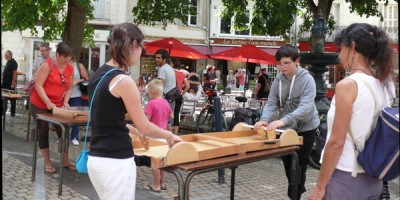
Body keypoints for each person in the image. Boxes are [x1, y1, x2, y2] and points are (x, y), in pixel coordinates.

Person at [87, 23, 181, 200]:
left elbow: (109, 117)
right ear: (133, 45)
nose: (141, 54)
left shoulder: (99, 74)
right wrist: (170, 136)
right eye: (142, 49)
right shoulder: (123, 81)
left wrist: (133, 130)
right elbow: (146, 126)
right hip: (116, 162)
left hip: (96, 160)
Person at [308, 23, 394, 200]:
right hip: (373, 178)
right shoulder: (384, 84)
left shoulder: (349, 85)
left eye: (341, 49)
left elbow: (336, 142)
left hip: (346, 177)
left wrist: (319, 187)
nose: (339, 55)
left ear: (352, 47)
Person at [254, 44, 319, 200]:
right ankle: (296, 189)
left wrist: (281, 121)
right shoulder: (278, 80)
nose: (282, 67)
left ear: (296, 61)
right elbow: (272, 103)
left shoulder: (307, 79)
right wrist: (264, 120)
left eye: (287, 63)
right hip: (286, 126)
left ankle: (294, 194)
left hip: (306, 126)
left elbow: (305, 107)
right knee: (288, 163)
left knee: (300, 165)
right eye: (279, 63)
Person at [29, 42, 76, 173]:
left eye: (69, 57)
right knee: (42, 130)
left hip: (57, 104)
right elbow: (38, 85)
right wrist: (48, 102)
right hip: (39, 103)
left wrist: (66, 101)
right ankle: (47, 162)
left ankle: (65, 161)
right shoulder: (46, 65)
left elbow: (69, 88)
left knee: (64, 130)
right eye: (64, 57)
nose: (67, 60)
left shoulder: (70, 68)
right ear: (57, 54)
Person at [143, 79, 174, 192]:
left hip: (154, 136)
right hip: (164, 135)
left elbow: (146, 121)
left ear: (151, 92)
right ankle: (163, 183)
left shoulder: (151, 103)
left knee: (155, 163)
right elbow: (172, 116)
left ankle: (156, 186)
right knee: (163, 161)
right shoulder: (166, 102)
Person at [68, 57, 89, 145]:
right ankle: (62, 136)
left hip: (76, 95)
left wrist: (77, 81)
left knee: (76, 116)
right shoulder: (61, 65)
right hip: (63, 95)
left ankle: (74, 137)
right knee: (63, 116)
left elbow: (86, 79)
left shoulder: (78, 66)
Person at [155, 48, 177, 131]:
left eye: (158, 58)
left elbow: (160, 85)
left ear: (164, 59)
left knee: (163, 123)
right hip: (172, 97)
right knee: (168, 123)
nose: (156, 59)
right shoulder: (170, 68)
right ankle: (171, 141)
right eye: (156, 57)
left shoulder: (162, 69)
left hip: (165, 98)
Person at [170, 58, 189, 135]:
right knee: (176, 113)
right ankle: (175, 133)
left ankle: (170, 133)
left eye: (170, 63)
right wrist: (182, 93)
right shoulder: (183, 74)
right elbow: (187, 86)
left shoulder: (171, 72)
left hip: (171, 94)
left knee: (169, 113)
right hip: (179, 95)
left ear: (173, 64)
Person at [2, 50, 18, 117]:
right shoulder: (8, 62)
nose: (5, 56)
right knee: (3, 96)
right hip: (5, 83)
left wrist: (13, 83)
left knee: (12, 98)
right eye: (5, 55)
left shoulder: (13, 63)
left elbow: (15, 73)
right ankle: (3, 111)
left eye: (6, 55)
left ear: (10, 55)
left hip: (10, 83)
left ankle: (12, 113)